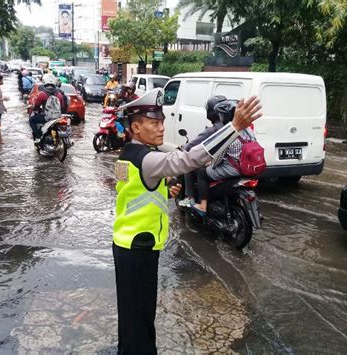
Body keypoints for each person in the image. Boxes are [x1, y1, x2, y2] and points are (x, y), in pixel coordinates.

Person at [112, 88, 262, 354]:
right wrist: (235, 127)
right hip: (138, 247)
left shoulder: (128, 155)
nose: (161, 128)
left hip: (129, 244)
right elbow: (189, 160)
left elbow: (129, 192)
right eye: (154, 123)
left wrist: (162, 189)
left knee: (134, 314)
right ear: (136, 127)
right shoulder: (147, 159)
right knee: (140, 317)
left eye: (162, 122)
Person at [192, 99, 257, 216]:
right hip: (248, 168)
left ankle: (203, 205)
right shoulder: (248, 130)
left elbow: (219, 158)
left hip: (233, 169)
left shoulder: (228, 133)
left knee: (202, 174)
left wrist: (210, 164)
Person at [178, 95, 227, 208]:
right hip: (231, 166)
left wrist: (183, 147)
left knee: (189, 168)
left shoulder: (212, 130)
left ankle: (190, 198)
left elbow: (191, 145)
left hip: (218, 165)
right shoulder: (231, 128)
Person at [29, 74, 65, 143]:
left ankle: (38, 136)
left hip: (47, 117)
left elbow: (36, 106)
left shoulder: (42, 94)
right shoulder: (59, 94)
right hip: (58, 117)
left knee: (31, 120)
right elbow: (62, 107)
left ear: (44, 84)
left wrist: (33, 108)